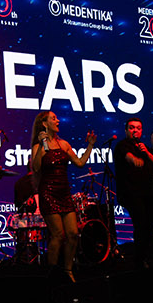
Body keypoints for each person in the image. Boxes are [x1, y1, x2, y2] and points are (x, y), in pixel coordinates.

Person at [30, 109, 96, 282]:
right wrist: (41, 146)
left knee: (73, 233)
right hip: (48, 193)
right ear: (44, 124)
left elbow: (80, 163)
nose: (57, 121)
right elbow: (36, 168)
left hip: (64, 192)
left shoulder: (64, 144)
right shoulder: (38, 147)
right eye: (53, 118)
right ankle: (52, 274)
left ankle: (67, 270)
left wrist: (90, 145)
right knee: (58, 235)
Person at [112, 117, 153, 265]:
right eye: (132, 127)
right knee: (140, 224)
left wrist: (146, 153)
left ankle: (148, 255)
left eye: (138, 128)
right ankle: (139, 260)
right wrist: (135, 160)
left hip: (149, 193)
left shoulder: (144, 147)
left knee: (150, 225)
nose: (135, 130)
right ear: (126, 130)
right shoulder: (122, 145)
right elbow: (129, 157)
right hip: (132, 193)